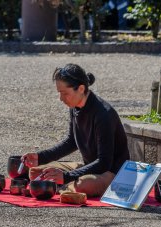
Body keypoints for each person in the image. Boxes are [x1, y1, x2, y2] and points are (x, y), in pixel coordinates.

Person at [21, 63, 130, 197]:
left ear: (81, 88)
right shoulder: (74, 106)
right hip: (89, 167)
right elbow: (71, 141)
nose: (61, 99)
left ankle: (60, 187)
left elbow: (104, 162)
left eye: (65, 93)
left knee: (82, 186)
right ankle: (60, 186)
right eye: (60, 93)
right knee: (36, 172)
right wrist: (40, 157)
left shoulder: (104, 114)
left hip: (111, 173)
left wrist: (66, 176)